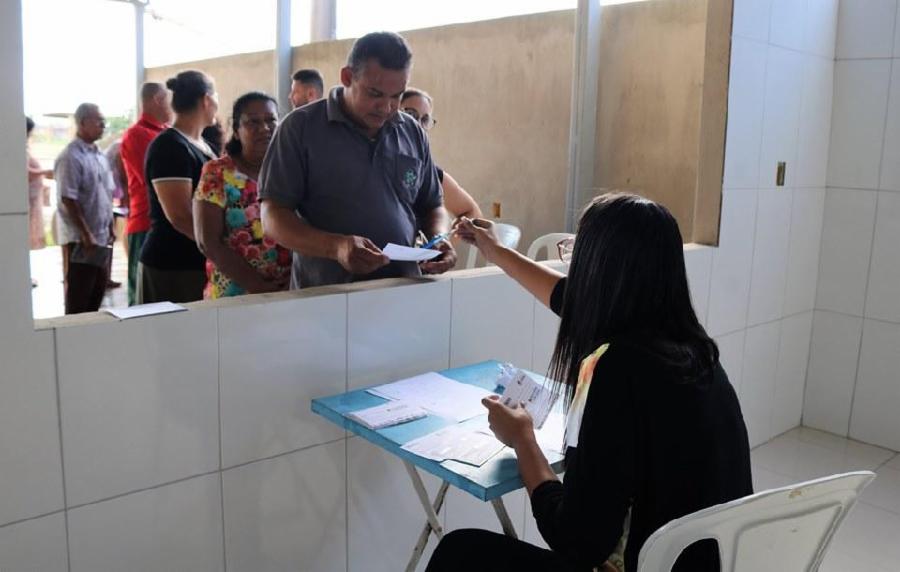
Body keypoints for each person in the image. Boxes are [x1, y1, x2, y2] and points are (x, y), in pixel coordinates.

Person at [427, 193, 753, 572]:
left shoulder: (616, 370)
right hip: (711, 562)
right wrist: (495, 252)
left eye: (576, 257)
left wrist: (523, 441)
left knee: (460, 552)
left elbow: (578, 541)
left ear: (600, 273)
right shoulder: (696, 353)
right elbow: (568, 299)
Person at [260, 31, 456, 289]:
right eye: (375, 94)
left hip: (402, 291)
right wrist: (336, 247)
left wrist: (438, 238)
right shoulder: (300, 129)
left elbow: (432, 205)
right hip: (325, 298)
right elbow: (273, 217)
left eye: (396, 95)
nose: (386, 107)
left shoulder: (411, 131)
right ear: (347, 77)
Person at [193, 92, 291, 298]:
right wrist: (257, 285)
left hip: (288, 290)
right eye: (253, 122)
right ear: (236, 130)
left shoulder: (291, 170)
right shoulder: (217, 172)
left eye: (271, 120)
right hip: (235, 293)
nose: (264, 128)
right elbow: (207, 241)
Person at [138, 70, 218, 304]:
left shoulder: (202, 145)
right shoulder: (170, 146)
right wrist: (220, 251)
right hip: (172, 266)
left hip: (196, 262)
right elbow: (180, 216)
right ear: (206, 100)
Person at [54, 103, 115, 314]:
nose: (103, 124)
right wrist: (85, 233)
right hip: (81, 240)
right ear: (82, 123)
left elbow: (105, 195)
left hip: (100, 236)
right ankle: (72, 343)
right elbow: (68, 199)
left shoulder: (99, 155)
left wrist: (110, 227)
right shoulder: (71, 157)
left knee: (96, 293)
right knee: (79, 299)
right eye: (98, 120)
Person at [120, 81, 173, 305]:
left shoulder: (167, 133)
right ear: (158, 100)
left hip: (167, 223)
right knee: (142, 297)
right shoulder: (138, 134)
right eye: (170, 100)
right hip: (145, 224)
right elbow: (156, 179)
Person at [400, 88, 482, 220]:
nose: (418, 125)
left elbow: (470, 211)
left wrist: (445, 240)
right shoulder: (373, 160)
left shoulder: (430, 173)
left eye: (425, 120)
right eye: (411, 115)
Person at [26, 117, 52, 250]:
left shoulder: (24, 146)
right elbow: (26, 171)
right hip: (28, 198)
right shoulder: (17, 147)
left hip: (33, 196)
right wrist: (44, 171)